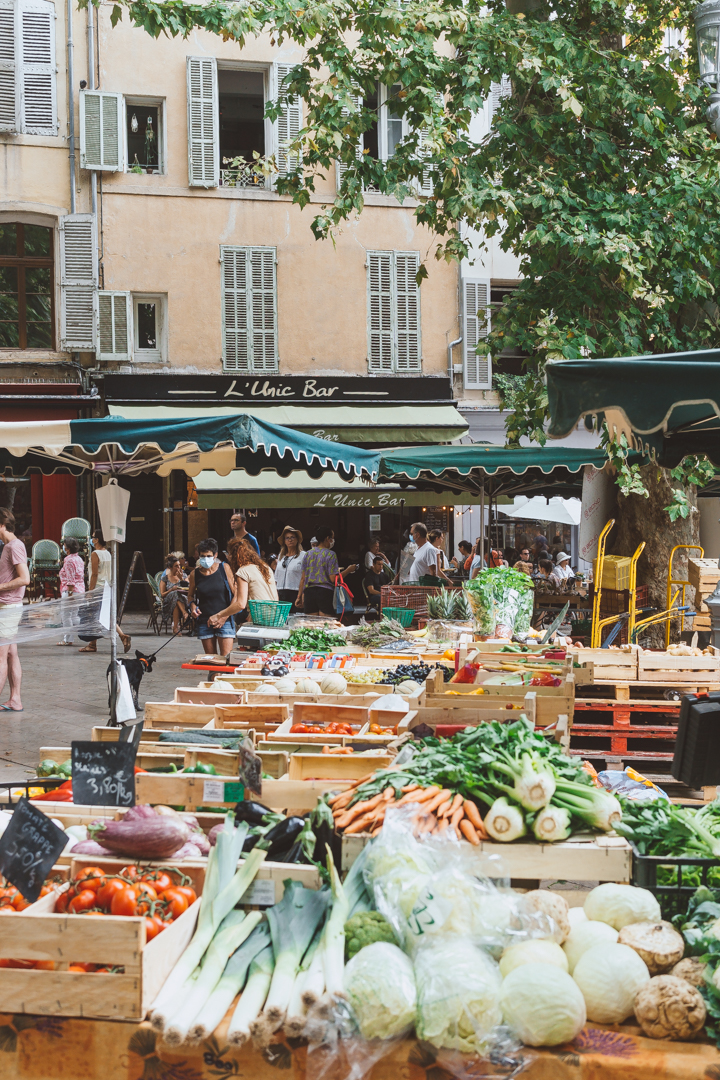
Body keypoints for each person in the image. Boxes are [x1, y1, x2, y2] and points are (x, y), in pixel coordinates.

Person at [78, 528, 131, 654]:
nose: (91, 539)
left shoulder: (95, 554)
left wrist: (90, 592)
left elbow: (94, 574)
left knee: (96, 617)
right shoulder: (108, 553)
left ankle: (120, 636)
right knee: (104, 616)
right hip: (107, 588)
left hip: (98, 589)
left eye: (93, 537)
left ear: (97, 540)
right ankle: (95, 643)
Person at [187, 538, 239, 656]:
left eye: (209, 556)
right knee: (211, 660)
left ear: (215, 555)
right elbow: (190, 596)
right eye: (202, 556)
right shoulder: (194, 574)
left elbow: (236, 594)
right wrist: (192, 606)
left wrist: (224, 616)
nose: (205, 559)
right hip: (205, 620)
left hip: (224, 620)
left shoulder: (224, 569)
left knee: (226, 659)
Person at [0, 508, 29, 712]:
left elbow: (24, 579)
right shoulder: (9, 546)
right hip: (9, 605)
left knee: (1, 655)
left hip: (9, 606)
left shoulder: (14, 546)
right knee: (11, 653)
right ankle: (15, 699)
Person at [297, 526, 357, 616]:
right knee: (325, 625)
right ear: (327, 538)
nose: (333, 541)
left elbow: (303, 578)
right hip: (324, 593)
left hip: (309, 593)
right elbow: (334, 579)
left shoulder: (307, 554)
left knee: (312, 625)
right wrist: (348, 570)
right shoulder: (331, 554)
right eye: (332, 538)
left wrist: (299, 596)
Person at [226, 538, 279, 625]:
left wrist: (219, 615)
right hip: (275, 616)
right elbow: (275, 597)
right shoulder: (266, 568)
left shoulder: (243, 571)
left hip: (259, 618)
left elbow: (240, 604)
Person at [57, 538, 86, 646]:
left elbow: (70, 579)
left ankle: (67, 639)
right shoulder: (79, 559)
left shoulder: (68, 560)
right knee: (73, 615)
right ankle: (77, 634)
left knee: (66, 616)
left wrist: (69, 594)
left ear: (67, 548)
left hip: (71, 591)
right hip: (80, 591)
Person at [274, 526, 306, 607]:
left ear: (297, 539)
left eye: (292, 537)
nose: (290, 540)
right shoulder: (281, 556)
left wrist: (301, 595)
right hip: (280, 592)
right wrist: (274, 594)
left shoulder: (303, 555)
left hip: (295, 592)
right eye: (287, 538)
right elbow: (276, 578)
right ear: (284, 541)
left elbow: (304, 578)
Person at [160, 556, 189, 633]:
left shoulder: (183, 575)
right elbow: (162, 594)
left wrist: (181, 579)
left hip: (183, 600)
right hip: (168, 602)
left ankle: (175, 628)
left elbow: (188, 588)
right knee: (175, 594)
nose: (179, 568)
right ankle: (184, 613)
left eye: (179, 565)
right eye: (176, 566)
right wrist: (171, 590)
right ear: (170, 567)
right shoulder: (165, 578)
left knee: (176, 600)